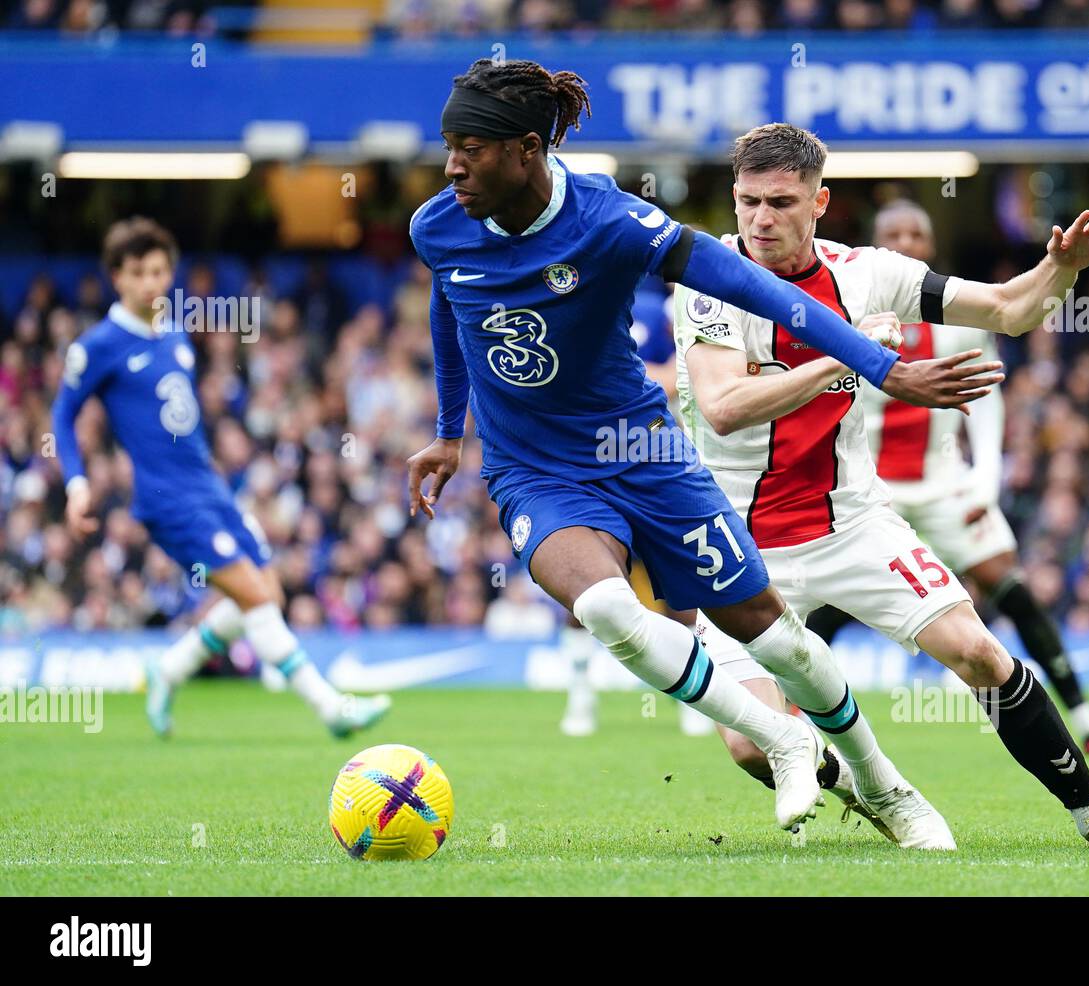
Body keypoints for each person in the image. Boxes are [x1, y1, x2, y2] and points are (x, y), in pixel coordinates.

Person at [406, 58, 999, 835]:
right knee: (607, 608)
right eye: (449, 145)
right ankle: (784, 738)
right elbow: (449, 310)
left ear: (525, 149)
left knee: (773, 633)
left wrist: (882, 365)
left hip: (644, 453)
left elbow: (764, 291)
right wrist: (451, 434)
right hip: (535, 471)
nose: (452, 167)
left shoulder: (610, 220)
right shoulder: (437, 225)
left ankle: (884, 786)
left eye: (470, 149)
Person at [673, 123, 1089, 850]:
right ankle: (883, 794)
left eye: (780, 202)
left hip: (852, 523)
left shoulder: (868, 273)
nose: (760, 221)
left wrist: (1062, 268)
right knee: (752, 745)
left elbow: (1007, 308)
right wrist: (857, 354)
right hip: (739, 548)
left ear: (820, 202)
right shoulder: (710, 282)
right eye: (748, 202)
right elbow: (723, 407)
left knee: (978, 652)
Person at [810, 198, 1089, 758]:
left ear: (930, 246)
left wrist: (985, 478)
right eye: (892, 232)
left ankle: (1088, 722)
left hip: (945, 485)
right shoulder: (848, 307)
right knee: (838, 603)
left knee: (1011, 589)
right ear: (874, 245)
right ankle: (785, 708)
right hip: (872, 491)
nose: (905, 241)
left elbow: (988, 397)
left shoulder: (953, 315)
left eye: (916, 232)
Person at [51, 217, 391, 739]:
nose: (151, 282)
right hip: (166, 500)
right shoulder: (98, 346)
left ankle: (168, 670)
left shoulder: (174, 332)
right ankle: (330, 708)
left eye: (160, 270)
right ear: (117, 277)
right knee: (255, 596)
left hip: (208, 487)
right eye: (138, 272)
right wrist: (77, 487)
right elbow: (62, 418)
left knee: (266, 594)